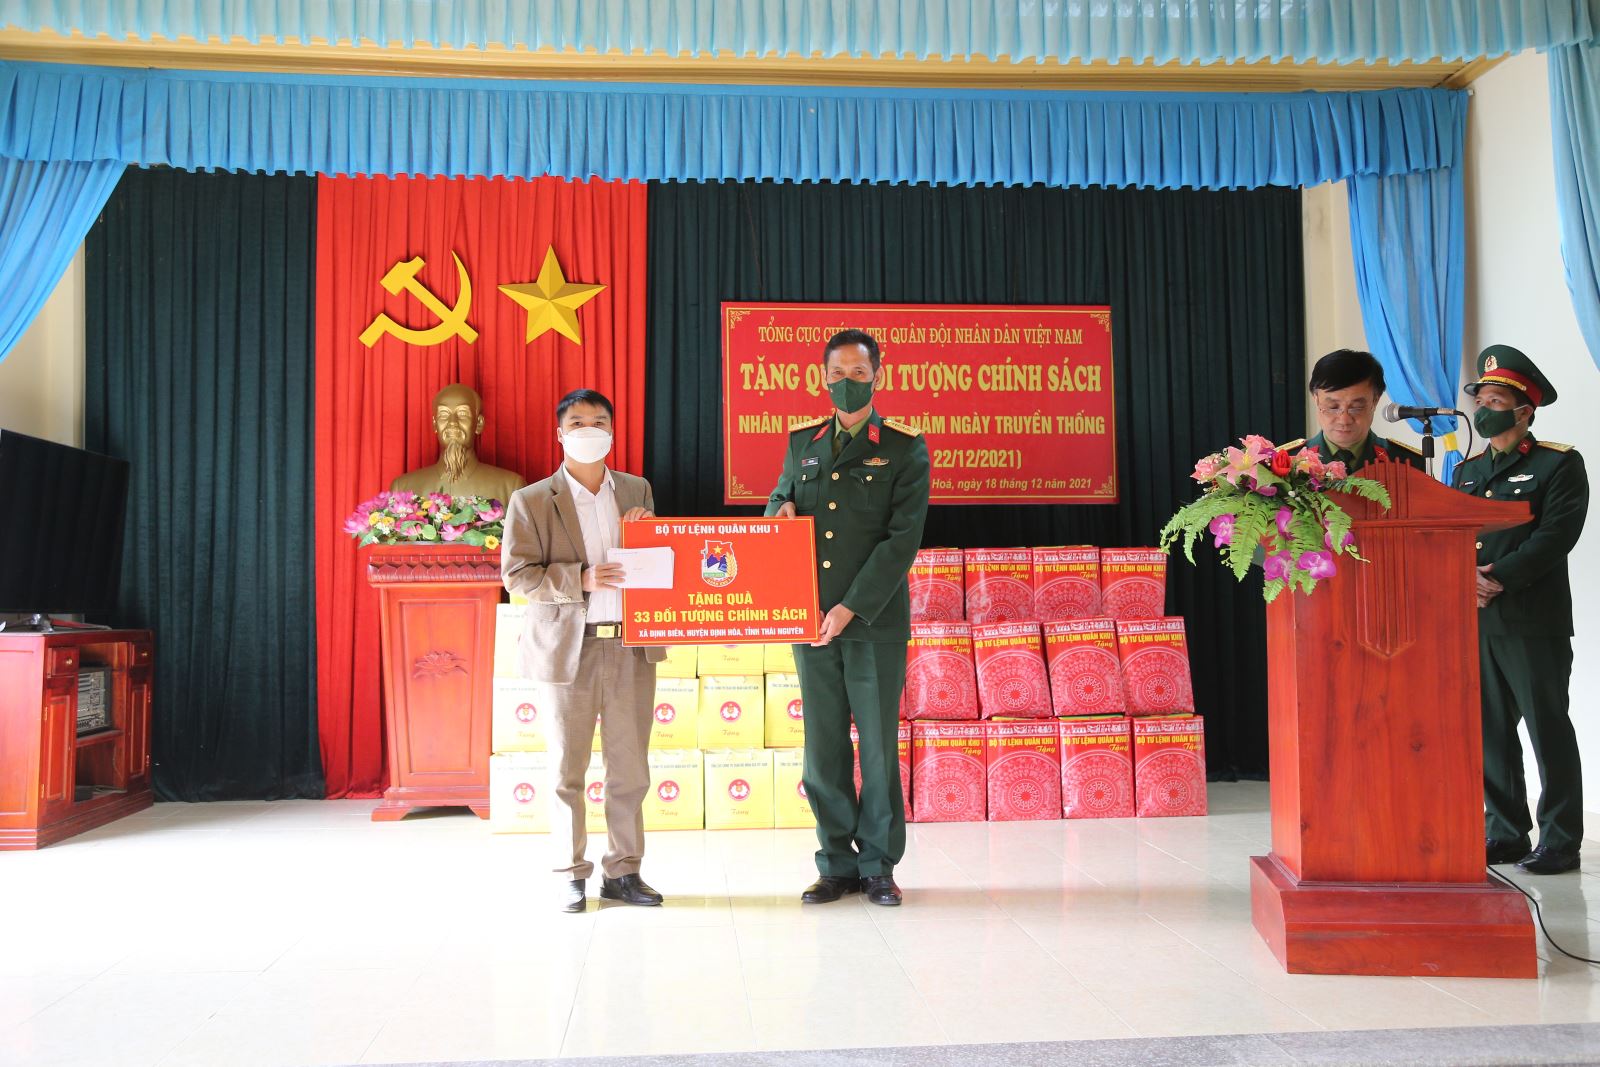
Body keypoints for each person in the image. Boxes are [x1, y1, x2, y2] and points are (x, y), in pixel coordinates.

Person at [766, 329, 930, 907]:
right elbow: (778, 502)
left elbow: (901, 540)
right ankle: (835, 863)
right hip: (809, 619)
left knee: (878, 746)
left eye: (858, 373)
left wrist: (848, 607)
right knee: (824, 745)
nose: (847, 382)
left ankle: (878, 865)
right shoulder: (803, 443)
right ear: (823, 377)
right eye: (837, 373)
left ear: (877, 376)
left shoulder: (904, 448)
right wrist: (779, 510)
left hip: (872, 621)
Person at [501, 389, 669, 911]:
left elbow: (658, 564)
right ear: (560, 433)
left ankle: (624, 871)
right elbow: (517, 576)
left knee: (630, 768)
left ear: (613, 432)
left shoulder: (637, 489)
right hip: (566, 649)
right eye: (578, 422)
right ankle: (570, 872)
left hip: (630, 646)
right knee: (565, 770)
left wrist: (653, 536)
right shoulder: (532, 499)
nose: (589, 430)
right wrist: (582, 578)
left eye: (599, 421)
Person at [1453, 345, 1590, 875]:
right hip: (1476, 617)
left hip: (1533, 620)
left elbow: (1557, 535)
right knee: (1488, 730)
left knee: (1547, 729)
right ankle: (1506, 832)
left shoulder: (1559, 463)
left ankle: (1560, 839)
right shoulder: (1466, 470)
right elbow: (1453, 534)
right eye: (1481, 399)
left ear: (1524, 410)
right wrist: (1463, 578)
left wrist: (1497, 577)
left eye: (1495, 401)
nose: (1484, 409)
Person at [391, 383, 527, 501]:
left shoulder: (510, 487)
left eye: (462, 414)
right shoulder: (402, 488)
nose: (452, 422)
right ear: (434, 424)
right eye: (444, 414)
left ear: (479, 423)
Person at [1304, 349, 1426, 472]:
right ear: (1316, 399)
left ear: (1375, 401)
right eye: (1333, 407)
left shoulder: (1407, 463)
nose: (1344, 420)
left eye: (1356, 407)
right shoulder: (1293, 461)